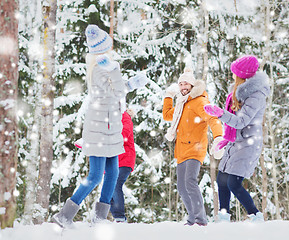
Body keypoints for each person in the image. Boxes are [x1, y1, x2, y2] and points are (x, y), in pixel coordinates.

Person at [52, 25, 147, 228]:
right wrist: (117, 73)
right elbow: (116, 90)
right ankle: (65, 215)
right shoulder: (101, 67)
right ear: (103, 47)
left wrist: (132, 84)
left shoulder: (104, 65)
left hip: (110, 127)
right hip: (100, 128)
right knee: (95, 175)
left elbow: (115, 92)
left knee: (112, 174)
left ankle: (100, 217)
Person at [204, 55, 270, 222]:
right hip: (237, 141)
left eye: (235, 73)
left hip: (248, 143)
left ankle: (256, 215)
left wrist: (220, 113)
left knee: (233, 182)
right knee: (222, 179)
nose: (233, 75)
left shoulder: (256, 95)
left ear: (243, 75)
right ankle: (224, 216)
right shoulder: (240, 91)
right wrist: (227, 137)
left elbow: (241, 121)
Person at [162, 68, 223, 226]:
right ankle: (191, 218)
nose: (183, 87)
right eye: (180, 84)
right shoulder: (182, 104)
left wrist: (218, 137)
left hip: (196, 149)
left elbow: (212, 118)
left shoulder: (199, 101)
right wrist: (169, 96)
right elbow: (167, 114)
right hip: (181, 150)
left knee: (190, 181)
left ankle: (200, 219)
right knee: (182, 187)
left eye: (186, 84)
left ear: (192, 85)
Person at [110, 109, 136, 223]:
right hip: (112, 159)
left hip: (125, 158)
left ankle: (119, 217)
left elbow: (124, 134)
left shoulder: (124, 116)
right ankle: (115, 216)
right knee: (109, 187)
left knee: (115, 183)